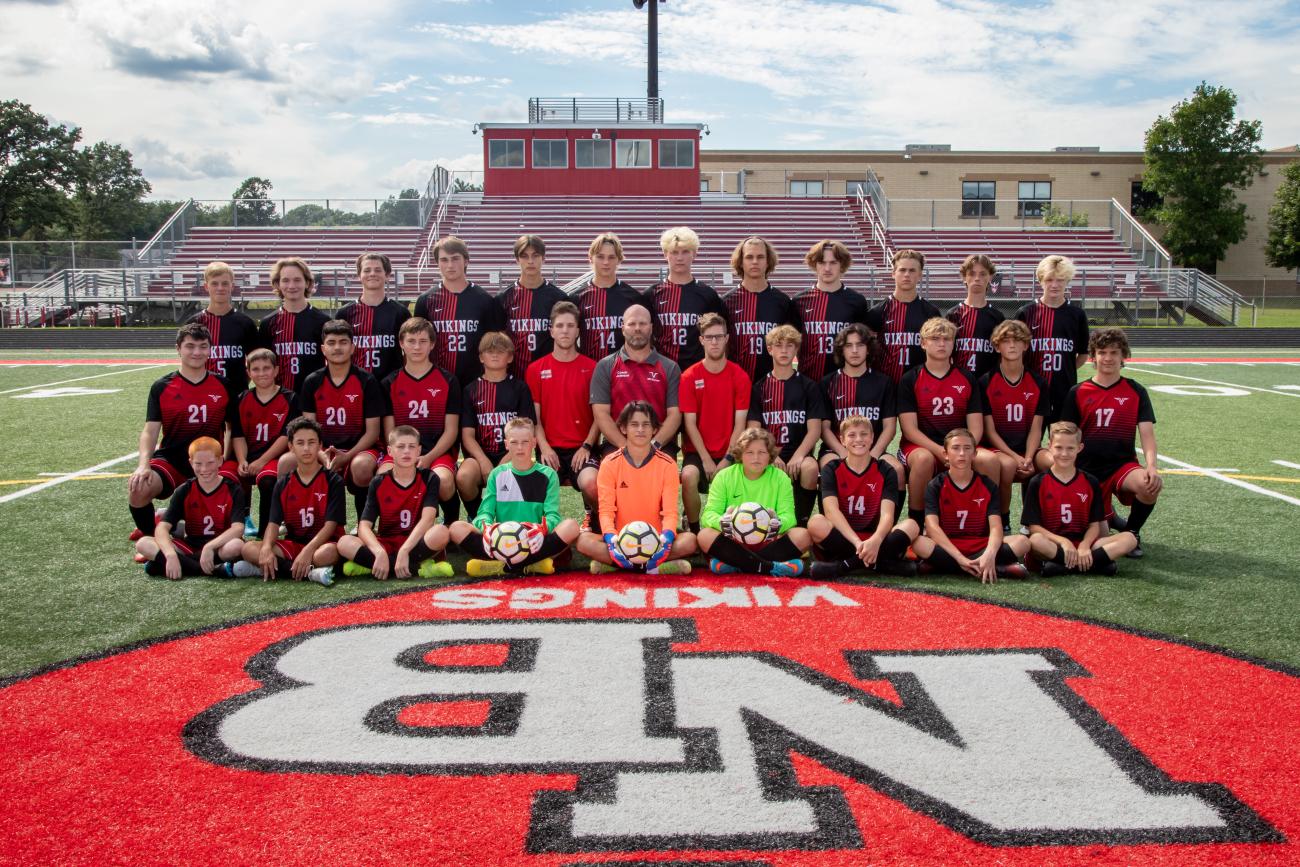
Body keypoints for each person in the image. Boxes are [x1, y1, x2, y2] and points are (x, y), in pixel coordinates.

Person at [128, 323, 237, 539]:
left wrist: (225, 459)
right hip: (173, 460)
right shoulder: (162, 386)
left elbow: (232, 428)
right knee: (139, 488)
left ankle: (173, 524)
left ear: (210, 350)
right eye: (190, 346)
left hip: (210, 461)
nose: (196, 352)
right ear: (178, 348)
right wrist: (143, 465)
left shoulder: (223, 385)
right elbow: (150, 431)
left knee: (230, 490)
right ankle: (154, 536)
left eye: (203, 346)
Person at [1062, 327, 1161, 558]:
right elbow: (1066, 434)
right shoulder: (1078, 392)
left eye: (1114, 352)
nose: (1108, 358)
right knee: (1099, 538)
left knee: (1150, 485)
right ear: (1093, 357)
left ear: (1122, 355)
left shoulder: (1136, 391)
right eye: (1102, 352)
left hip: (1121, 466)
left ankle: (1133, 531)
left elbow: (1147, 434)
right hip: (1086, 470)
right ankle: (1109, 515)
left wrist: (1152, 467)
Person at [449, 418, 582, 577]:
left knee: (572, 526)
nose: (519, 447)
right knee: (456, 528)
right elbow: (485, 513)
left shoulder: (548, 475)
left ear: (534, 443)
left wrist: (541, 529)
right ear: (506, 444)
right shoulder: (497, 474)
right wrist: (489, 529)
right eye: (514, 442)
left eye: (525, 442)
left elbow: (552, 515)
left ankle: (500, 566)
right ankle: (532, 564)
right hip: (502, 540)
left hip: (533, 541)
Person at [577, 401, 697, 575]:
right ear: (624, 429)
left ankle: (616, 566)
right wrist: (611, 539)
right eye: (634, 424)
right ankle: (656, 568)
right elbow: (606, 511)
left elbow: (670, 512)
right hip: (621, 541)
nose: (640, 429)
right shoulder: (609, 464)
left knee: (691, 541)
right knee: (583, 541)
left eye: (646, 424)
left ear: (654, 429)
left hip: (655, 540)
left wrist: (668, 537)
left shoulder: (668, 464)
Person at [896, 317, 994, 525]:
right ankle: (917, 522)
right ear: (923, 343)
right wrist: (940, 450)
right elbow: (909, 429)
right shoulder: (910, 379)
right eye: (935, 339)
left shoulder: (966, 378)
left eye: (947, 339)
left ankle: (990, 523)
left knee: (989, 460)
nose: (942, 344)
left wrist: (961, 449)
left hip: (959, 444)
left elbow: (976, 427)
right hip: (920, 444)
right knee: (923, 460)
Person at [911, 428, 1031, 583]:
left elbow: (995, 527)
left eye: (967, 448)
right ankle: (996, 568)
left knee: (1023, 542)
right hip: (949, 543)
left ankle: (945, 566)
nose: (962, 453)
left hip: (979, 542)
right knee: (918, 543)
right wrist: (959, 557)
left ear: (975, 454)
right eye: (955, 448)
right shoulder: (936, 485)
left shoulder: (987, 485)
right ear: (945, 454)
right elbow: (932, 527)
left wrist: (989, 553)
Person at [808, 416, 920, 579]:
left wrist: (875, 540)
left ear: (872, 437)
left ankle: (844, 566)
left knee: (912, 525)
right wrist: (857, 543)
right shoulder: (831, 469)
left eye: (864, 434)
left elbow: (888, 514)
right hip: (845, 537)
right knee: (815, 523)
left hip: (875, 538)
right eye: (852, 435)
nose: (858, 439)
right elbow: (831, 511)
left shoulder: (886, 470)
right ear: (842, 440)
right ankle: (883, 564)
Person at [234, 417, 342, 586]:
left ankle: (266, 569)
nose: (306, 448)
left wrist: (308, 550)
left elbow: (330, 526)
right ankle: (311, 573)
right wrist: (267, 547)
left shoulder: (333, 480)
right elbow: (273, 523)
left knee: (327, 554)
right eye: (300, 443)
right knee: (248, 549)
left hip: (322, 545)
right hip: (295, 544)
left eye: (311, 442)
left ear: (320, 445)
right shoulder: (283, 483)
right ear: (291, 447)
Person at [336, 425, 453, 581]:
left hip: (416, 542)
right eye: (400, 447)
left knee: (441, 532)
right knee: (344, 542)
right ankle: (414, 566)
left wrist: (405, 550)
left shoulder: (429, 478)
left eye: (411, 447)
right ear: (390, 451)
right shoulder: (379, 482)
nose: (406, 451)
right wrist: (378, 551)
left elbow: (428, 519)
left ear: (419, 451)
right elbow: (364, 526)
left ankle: (377, 566)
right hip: (387, 543)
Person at [1024, 421, 1137, 576]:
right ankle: (1094, 565)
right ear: (1049, 446)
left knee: (1129, 539)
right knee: (1036, 540)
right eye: (1058, 447)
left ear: (1080, 448)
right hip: (1054, 544)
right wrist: (1063, 542)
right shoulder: (1037, 482)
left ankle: (1063, 566)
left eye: (1070, 448)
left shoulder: (1090, 481)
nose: (1064, 454)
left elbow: (1094, 525)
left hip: (1084, 543)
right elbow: (1034, 527)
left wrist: (1084, 545)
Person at [300, 319, 385, 519]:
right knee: (287, 462)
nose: (337, 348)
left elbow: (373, 431)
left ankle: (364, 522)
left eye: (343, 342)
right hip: (323, 449)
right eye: (331, 343)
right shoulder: (312, 381)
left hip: (359, 448)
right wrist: (321, 454)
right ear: (323, 348)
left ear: (352, 347)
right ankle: (303, 521)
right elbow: (308, 429)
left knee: (362, 467)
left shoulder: (367, 381)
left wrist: (347, 456)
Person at [697, 428, 811, 577]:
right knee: (704, 535)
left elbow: (789, 517)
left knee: (803, 535)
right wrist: (722, 522)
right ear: (740, 454)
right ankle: (770, 567)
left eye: (762, 452)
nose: (755, 457)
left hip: (769, 540)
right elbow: (708, 515)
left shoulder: (781, 478)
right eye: (749, 452)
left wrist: (778, 523)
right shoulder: (724, 476)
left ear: (770, 455)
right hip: (734, 541)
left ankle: (735, 564)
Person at [381, 317, 462, 523]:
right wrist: (404, 456)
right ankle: (393, 526)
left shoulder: (448, 380)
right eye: (411, 341)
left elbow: (451, 431)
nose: (417, 347)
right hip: (400, 451)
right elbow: (390, 433)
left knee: (442, 480)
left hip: (436, 452)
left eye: (423, 341)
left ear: (432, 344)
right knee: (382, 477)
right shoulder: (389, 383)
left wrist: (427, 457)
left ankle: (451, 523)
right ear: (401, 343)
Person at [527, 301, 600, 526]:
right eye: (559, 326)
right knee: (537, 490)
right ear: (551, 331)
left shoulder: (593, 367)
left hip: (583, 448)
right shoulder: (536, 369)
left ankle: (597, 520)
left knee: (592, 484)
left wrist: (586, 446)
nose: (565, 331)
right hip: (551, 450)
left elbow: (600, 416)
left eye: (570, 325)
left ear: (578, 330)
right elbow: (534, 419)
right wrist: (545, 448)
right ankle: (544, 531)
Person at [747, 324, 829, 527]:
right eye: (778, 345)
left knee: (810, 468)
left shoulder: (809, 386)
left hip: (798, 452)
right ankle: (761, 523)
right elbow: (754, 430)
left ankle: (801, 524)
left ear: (796, 350)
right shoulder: (759, 387)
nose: (784, 351)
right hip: (768, 453)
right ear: (769, 349)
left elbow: (815, 430)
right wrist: (771, 454)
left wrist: (800, 456)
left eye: (789, 346)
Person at [134, 437, 247, 579]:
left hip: (219, 546)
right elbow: (162, 528)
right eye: (198, 464)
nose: (204, 469)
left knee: (236, 545)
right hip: (190, 546)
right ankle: (206, 569)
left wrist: (210, 547)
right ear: (191, 463)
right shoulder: (184, 490)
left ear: (220, 460)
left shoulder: (233, 489)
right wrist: (170, 554)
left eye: (210, 463)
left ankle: (166, 565)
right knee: (143, 544)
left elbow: (238, 528)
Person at [679, 312, 751, 533]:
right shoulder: (689, 376)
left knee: (748, 476)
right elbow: (690, 424)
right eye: (709, 337)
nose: (714, 341)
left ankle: (740, 526)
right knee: (689, 476)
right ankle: (693, 528)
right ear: (701, 339)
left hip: (731, 450)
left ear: (727, 338)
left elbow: (740, 423)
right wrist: (706, 460)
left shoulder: (739, 376)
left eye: (719, 336)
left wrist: (728, 457)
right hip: (699, 452)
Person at [457, 331, 536, 522]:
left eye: (501, 351)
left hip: (512, 453)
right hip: (479, 455)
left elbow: (528, 428)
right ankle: (477, 516)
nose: (494, 355)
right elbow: (467, 435)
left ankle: (514, 519)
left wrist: (505, 461)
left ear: (510, 357)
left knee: (521, 472)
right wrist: (483, 461)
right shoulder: (470, 390)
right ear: (481, 357)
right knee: (464, 476)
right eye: (489, 351)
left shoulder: (519, 388)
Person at [412, 236, 509, 387]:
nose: (450, 265)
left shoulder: (484, 300)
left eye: (455, 258)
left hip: (475, 382)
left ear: (466, 261)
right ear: (437, 263)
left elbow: (494, 343)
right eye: (444, 260)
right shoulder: (426, 300)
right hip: (436, 381)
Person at [978, 319, 1046, 529]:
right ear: (997, 346)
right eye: (1006, 341)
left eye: (1018, 340)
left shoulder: (1038, 382)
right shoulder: (986, 381)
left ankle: (1036, 520)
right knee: (1007, 466)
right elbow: (989, 431)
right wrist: (1015, 457)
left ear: (1026, 345)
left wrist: (1027, 457)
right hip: (998, 447)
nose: (1013, 345)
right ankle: (1004, 519)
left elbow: (1037, 428)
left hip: (1028, 448)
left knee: (1052, 461)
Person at [589, 303, 681, 455]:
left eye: (643, 323)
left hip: (659, 445)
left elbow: (675, 415)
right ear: (623, 328)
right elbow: (601, 414)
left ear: (651, 327)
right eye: (632, 323)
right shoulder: (605, 366)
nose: (637, 328)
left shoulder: (670, 367)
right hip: (617, 444)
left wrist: (653, 445)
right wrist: (626, 447)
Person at [819, 323, 903, 489]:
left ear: (869, 349)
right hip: (836, 450)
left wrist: (874, 454)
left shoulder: (883, 382)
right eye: (849, 346)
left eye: (860, 345)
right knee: (830, 468)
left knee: (898, 470)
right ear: (841, 350)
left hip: (873, 450)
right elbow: (824, 428)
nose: (855, 350)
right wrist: (843, 454)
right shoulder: (828, 382)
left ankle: (889, 516)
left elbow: (890, 427)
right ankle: (830, 515)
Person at [230, 347, 299, 535]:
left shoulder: (290, 398)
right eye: (256, 369)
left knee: (268, 480)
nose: (261, 373)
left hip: (274, 457)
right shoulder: (241, 399)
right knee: (225, 476)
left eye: (266, 368)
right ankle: (227, 530)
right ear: (249, 373)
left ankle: (265, 532)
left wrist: (261, 461)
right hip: (248, 455)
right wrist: (242, 460)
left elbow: (286, 436)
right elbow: (238, 435)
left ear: (276, 370)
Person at [1016, 255, 1091, 423]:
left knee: (1062, 441)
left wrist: (1066, 371)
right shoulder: (1026, 313)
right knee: (1028, 440)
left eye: (1060, 280)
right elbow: (1014, 353)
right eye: (1049, 279)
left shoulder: (1077, 315)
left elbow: (1083, 354)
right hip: (1030, 387)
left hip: (1064, 389)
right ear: (1041, 281)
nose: (1055, 285)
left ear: (1067, 281)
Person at [722, 236, 802, 381]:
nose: (754, 262)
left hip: (773, 385)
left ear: (768, 261)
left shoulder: (783, 302)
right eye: (749, 257)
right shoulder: (727, 302)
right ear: (741, 261)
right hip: (735, 383)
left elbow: (793, 345)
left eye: (760, 257)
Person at [648, 226, 728, 371]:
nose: (679, 258)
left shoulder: (708, 295)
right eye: (674, 252)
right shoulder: (652, 294)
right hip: (659, 372)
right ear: (665, 254)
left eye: (685, 252)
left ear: (694, 254)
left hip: (696, 372)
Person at [793, 239, 870, 382]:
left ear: (842, 265)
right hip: (808, 382)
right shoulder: (799, 301)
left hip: (845, 383)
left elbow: (863, 344)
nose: (827, 268)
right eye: (822, 262)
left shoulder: (857, 301)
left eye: (833, 262)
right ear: (814, 265)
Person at [867, 248, 943, 384]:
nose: (907, 275)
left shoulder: (931, 313)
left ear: (920, 275)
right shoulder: (877, 312)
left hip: (920, 385)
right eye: (902, 270)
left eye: (912, 270)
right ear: (893, 273)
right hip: (885, 386)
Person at [498, 234, 568, 378]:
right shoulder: (503, 299)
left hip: (549, 376)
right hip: (513, 377)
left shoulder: (558, 298)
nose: (530, 261)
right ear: (517, 260)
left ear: (543, 258)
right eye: (524, 256)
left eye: (535, 255)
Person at [258, 257, 331, 392]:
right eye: (285, 280)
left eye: (297, 280)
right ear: (277, 284)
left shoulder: (323, 321)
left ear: (307, 283)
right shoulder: (267, 323)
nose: (291, 286)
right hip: (278, 398)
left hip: (314, 397)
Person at [336, 252, 410, 382]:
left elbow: (409, 353)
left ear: (387, 275)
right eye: (367, 270)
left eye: (378, 270)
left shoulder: (400, 312)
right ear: (359, 275)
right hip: (355, 385)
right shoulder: (344, 313)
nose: (372, 274)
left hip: (391, 385)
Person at [575, 232, 649, 361]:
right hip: (589, 371)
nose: (605, 262)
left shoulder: (634, 298)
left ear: (619, 259)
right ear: (590, 258)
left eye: (611, 257)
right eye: (600, 257)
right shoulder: (577, 297)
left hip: (624, 371)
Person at [187, 261, 259, 393]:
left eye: (225, 283)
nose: (220, 288)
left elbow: (255, 362)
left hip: (236, 395)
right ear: (206, 286)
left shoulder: (246, 323)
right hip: (202, 394)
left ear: (232, 286)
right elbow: (187, 362)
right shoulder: (194, 323)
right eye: (214, 283)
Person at [947, 254, 1006, 378]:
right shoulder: (953, 315)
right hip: (957, 383)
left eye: (983, 274)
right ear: (964, 277)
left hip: (987, 384)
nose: (977, 278)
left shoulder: (997, 317)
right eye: (972, 274)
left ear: (990, 277)